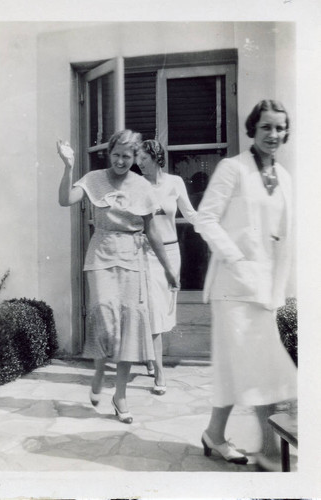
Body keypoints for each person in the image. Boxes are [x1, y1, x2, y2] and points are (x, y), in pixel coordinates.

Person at [195, 100, 297, 471]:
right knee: (259, 368)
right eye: (266, 127)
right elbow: (205, 219)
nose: (274, 134)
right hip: (233, 287)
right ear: (252, 129)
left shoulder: (284, 177)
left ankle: (214, 434)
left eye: (280, 128)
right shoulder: (232, 168)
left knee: (237, 367)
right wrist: (236, 258)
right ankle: (269, 450)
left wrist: (278, 287)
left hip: (264, 289)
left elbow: (283, 238)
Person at [57, 130, 178, 424]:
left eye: (127, 156)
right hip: (100, 254)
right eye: (116, 155)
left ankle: (120, 395)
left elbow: (152, 231)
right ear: (109, 153)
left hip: (133, 258)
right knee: (103, 315)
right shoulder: (95, 178)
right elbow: (64, 200)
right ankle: (100, 368)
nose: (121, 161)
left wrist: (167, 267)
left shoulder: (142, 186)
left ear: (135, 157)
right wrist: (68, 166)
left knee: (130, 327)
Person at [137, 139, 199, 395]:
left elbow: (191, 214)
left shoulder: (175, 183)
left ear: (156, 158)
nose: (138, 163)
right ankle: (160, 373)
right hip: (147, 254)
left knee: (163, 311)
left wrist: (214, 231)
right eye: (137, 158)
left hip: (172, 253)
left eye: (143, 158)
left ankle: (152, 359)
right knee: (153, 310)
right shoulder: (137, 186)